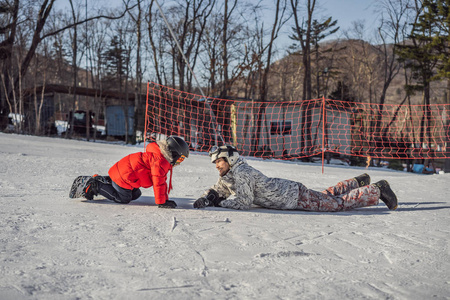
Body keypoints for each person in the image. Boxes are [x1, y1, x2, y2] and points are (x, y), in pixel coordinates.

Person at [193, 145, 398, 211]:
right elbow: (220, 188)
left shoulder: (243, 173)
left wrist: (219, 205)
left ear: (229, 158)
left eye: (218, 161)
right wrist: (208, 196)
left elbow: (244, 202)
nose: (216, 165)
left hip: (292, 197)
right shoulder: (232, 173)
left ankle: (378, 189)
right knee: (325, 195)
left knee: (337, 204)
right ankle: (357, 182)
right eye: (215, 163)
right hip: (291, 192)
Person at [81, 135, 189, 208]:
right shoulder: (160, 161)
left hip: (125, 173)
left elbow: (162, 182)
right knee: (124, 198)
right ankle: (96, 185)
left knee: (136, 194)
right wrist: (162, 202)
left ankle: (107, 181)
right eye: (180, 158)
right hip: (124, 176)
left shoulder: (159, 156)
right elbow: (158, 183)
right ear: (174, 153)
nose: (180, 162)